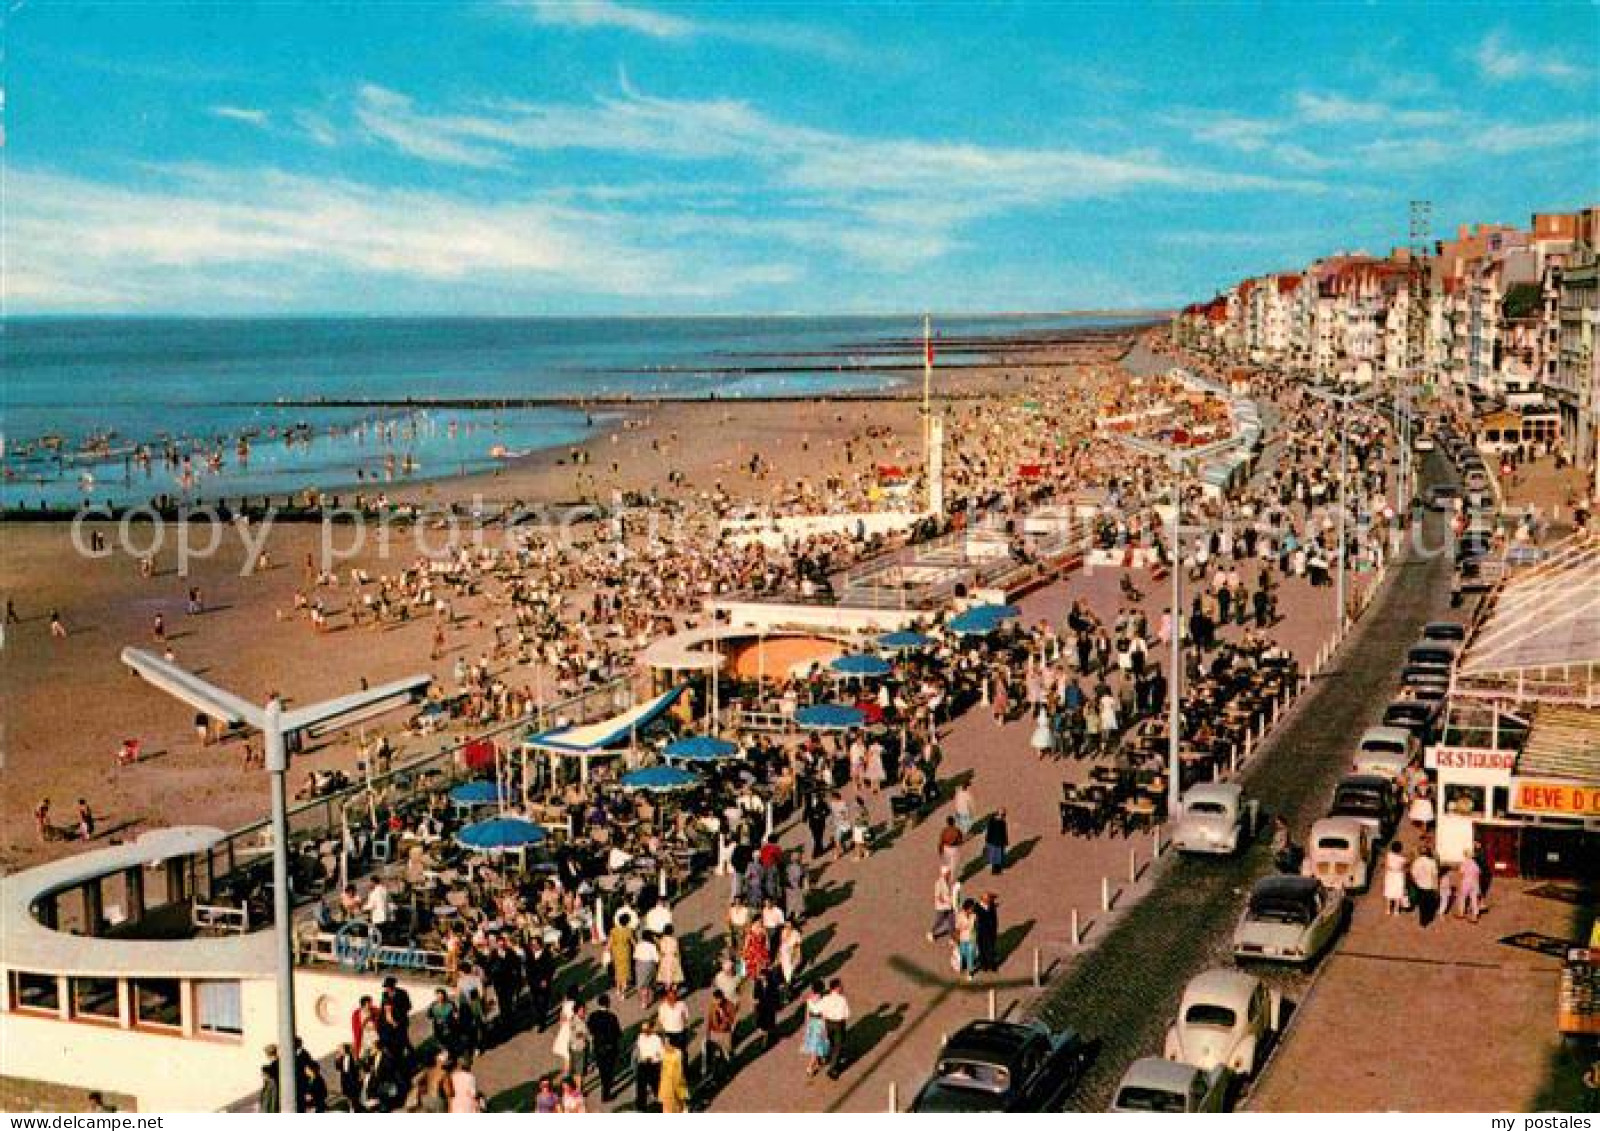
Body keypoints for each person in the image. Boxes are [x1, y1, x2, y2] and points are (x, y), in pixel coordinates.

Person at [588, 994, 623, 1103]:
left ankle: (606, 1086)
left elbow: (590, 1029)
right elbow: (617, 1033)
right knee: (609, 1069)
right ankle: (606, 1093)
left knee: (602, 1069)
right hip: (610, 1047)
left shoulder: (593, 1016)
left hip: (598, 1046)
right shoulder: (612, 1016)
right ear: (608, 1003)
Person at [704, 988, 738, 1082]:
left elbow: (733, 1020)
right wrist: (708, 1034)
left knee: (727, 1054)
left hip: (725, 1033)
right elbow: (709, 1020)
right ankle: (715, 1075)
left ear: (722, 998)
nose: (717, 1002)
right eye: (715, 1000)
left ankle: (729, 1072)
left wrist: (724, 1014)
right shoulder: (712, 1006)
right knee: (716, 1055)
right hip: (715, 1033)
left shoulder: (729, 1005)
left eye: (718, 1000)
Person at [819, 978, 850, 1079]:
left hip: (828, 1023)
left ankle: (832, 1058)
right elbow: (847, 1014)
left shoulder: (825, 998)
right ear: (836, 988)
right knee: (838, 1045)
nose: (842, 988)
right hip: (838, 1024)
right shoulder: (842, 999)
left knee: (832, 1042)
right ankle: (832, 1068)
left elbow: (821, 1011)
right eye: (841, 986)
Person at [800, 984, 831, 1079]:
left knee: (814, 1045)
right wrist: (825, 1029)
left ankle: (817, 1061)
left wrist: (806, 1026)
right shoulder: (823, 1002)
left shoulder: (809, 1000)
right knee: (816, 1046)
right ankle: (810, 1067)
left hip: (811, 1024)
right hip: (819, 1024)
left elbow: (807, 1014)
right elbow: (824, 1016)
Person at [634, 1019, 664, 1112]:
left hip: (653, 1065)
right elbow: (638, 1049)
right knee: (640, 1087)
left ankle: (660, 1105)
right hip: (642, 1064)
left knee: (656, 1086)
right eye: (643, 1030)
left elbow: (661, 1054)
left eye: (646, 1029)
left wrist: (653, 1058)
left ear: (651, 1028)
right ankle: (641, 1107)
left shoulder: (657, 1039)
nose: (644, 1032)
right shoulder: (640, 1037)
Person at [1410, 848, 1440, 928]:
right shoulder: (1432, 862)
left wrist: (1415, 883)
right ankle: (1428, 918)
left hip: (1419, 886)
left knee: (1422, 904)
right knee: (1429, 903)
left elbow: (1413, 874)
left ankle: (1423, 921)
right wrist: (1436, 887)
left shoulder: (1416, 862)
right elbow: (1435, 876)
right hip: (1429, 886)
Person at [658, 1039, 690, 1113]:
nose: (665, 1045)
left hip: (676, 1078)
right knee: (666, 1101)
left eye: (667, 1043)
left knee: (679, 1099)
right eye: (665, 1043)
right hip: (666, 1080)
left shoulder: (678, 1053)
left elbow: (679, 1068)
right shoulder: (663, 1051)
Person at [927, 866, 957, 942]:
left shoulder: (949, 881)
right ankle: (931, 932)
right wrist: (948, 901)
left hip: (950, 906)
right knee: (939, 921)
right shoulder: (938, 883)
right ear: (944, 874)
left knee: (952, 921)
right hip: (942, 907)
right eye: (948, 873)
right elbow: (938, 897)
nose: (950, 874)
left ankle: (952, 938)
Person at [1454, 849, 1484, 922]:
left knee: (1462, 898)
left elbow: (1461, 874)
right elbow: (1479, 874)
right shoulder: (1475, 864)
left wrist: (1459, 884)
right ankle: (1475, 916)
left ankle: (1461, 913)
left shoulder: (1464, 863)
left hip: (1466, 882)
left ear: (1465, 855)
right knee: (1474, 899)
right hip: (1474, 883)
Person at [975, 891, 1000, 972]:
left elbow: (995, 919)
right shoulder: (977, 908)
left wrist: (995, 930)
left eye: (989, 899)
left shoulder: (991, 906)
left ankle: (992, 966)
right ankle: (984, 966)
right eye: (987, 899)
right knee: (982, 950)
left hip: (990, 932)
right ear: (982, 900)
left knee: (991, 950)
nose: (988, 900)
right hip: (981, 932)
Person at [1383, 841, 1408, 916]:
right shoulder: (1402, 858)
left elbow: (1386, 865)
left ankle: (1388, 909)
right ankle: (1396, 910)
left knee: (1389, 892)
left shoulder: (1389, 855)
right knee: (1398, 893)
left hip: (1390, 874)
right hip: (1398, 875)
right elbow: (1405, 864)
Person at [983, 808, 1010, 875]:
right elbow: (1003, 833)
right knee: (998, 856)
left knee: (994, 855)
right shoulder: (1002, 822)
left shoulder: (992, 820)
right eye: (1004, 814)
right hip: (998, 842)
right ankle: (996, 870)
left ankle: (995, 869)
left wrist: (987, 840)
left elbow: (989, 831)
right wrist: (1005, 841)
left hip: (992, 841)